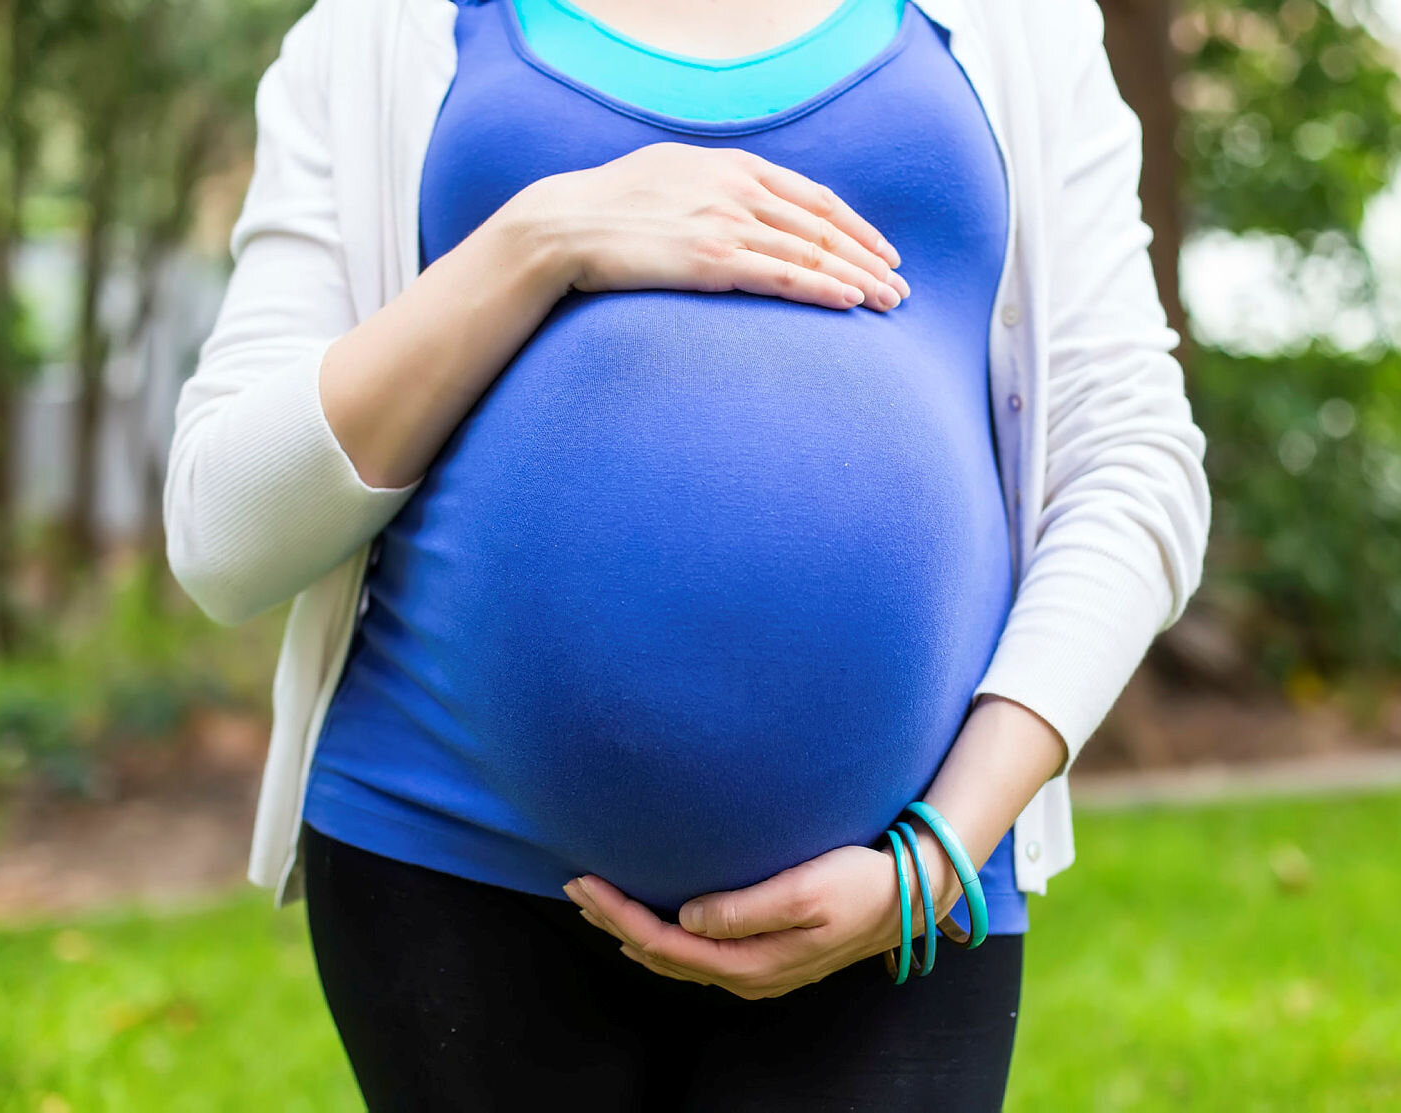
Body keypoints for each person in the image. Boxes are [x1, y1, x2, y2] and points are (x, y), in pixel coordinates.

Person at [164, 0, 1212, 1107]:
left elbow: (1133, 463)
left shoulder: (1018, 29)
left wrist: (940, 850)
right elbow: (223, 531)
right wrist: (543, 238)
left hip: (906, 897)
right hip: (449, 867)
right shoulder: (381, 33)